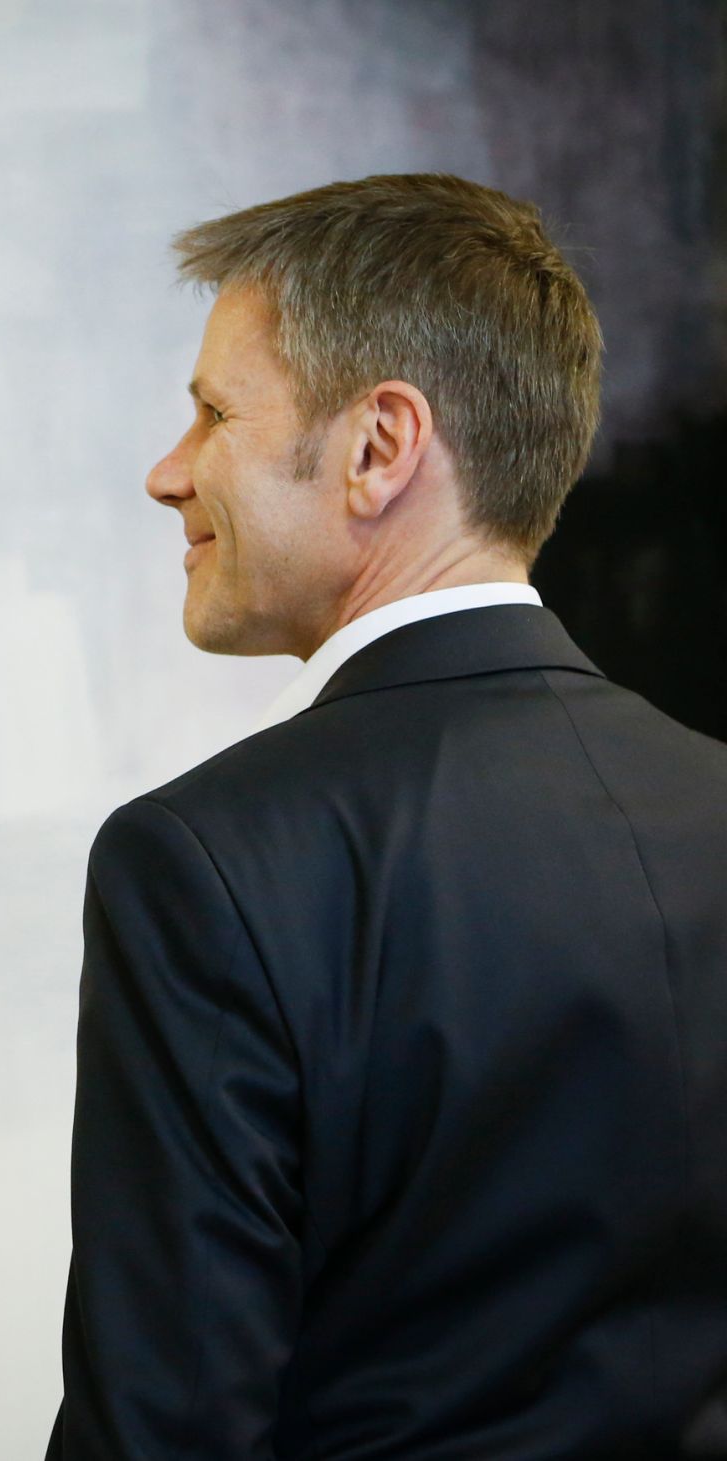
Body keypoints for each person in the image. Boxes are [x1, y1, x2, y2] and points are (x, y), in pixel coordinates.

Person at [48, 174, 727, 1457]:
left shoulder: (202, 865)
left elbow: (163, 1427)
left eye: (210, 414)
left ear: (377, 447)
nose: (166, 472)